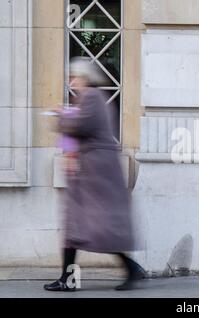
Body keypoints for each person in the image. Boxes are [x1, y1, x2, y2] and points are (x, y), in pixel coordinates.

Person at [44, 57, 147, 292]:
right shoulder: (93, 98)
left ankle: (130, 269)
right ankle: (69, 278)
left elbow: (80, 126)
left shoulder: (91, 97)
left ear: (84, 78)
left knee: (93, 229)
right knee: (81, 229)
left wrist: (60, 115)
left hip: (95, 175)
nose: (72, 81)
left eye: (74, 77)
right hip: (92, 173)